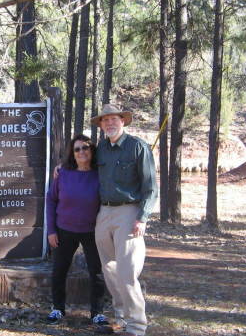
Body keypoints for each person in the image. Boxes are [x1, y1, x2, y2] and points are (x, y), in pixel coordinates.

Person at [91, 104, 158, 336]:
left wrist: (143, 217)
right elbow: (82, 167)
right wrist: (61, 168)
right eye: (105, 120)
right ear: (101, 125)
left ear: (123, 121)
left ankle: (137, 326)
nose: (110, 123)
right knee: (109, 269)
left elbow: (150, 188)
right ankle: (121, 319)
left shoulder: (138, 147)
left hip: (129, 212)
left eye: (114, 119)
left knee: (127, 272)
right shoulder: (101, 149)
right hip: (104, 213)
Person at [46, 134, 110, 329]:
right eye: (77, 149)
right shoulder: (63, 173)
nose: (82, 152)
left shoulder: (101, 174)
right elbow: (51, 200)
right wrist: (51, 230)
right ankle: (58, 308)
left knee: (97, 273)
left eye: (86, 148)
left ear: (92, 151)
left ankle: (97, 313)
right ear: (72, 154)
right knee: (59, 271)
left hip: (92, 231)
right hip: (64, 230)